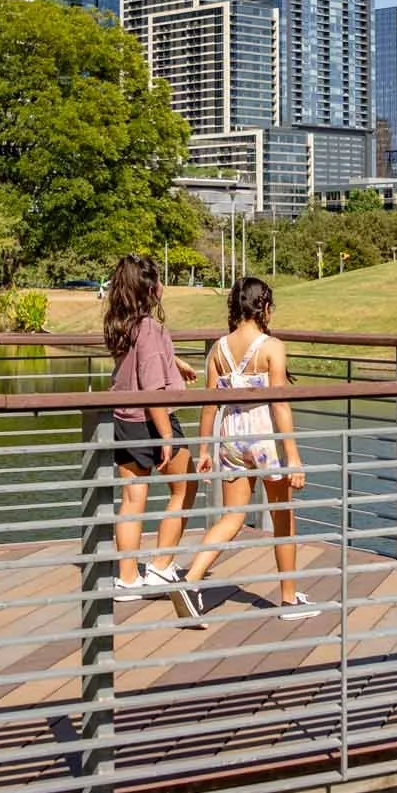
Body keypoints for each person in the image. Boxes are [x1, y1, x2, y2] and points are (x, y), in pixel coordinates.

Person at [174, 276, 311, 627]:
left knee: (233, 516)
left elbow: (208, 405)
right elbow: (279, 404)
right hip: (263, 436)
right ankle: (288, 598)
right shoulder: (271, 347)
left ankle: (190, 581)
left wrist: (204, 448)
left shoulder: (218, 348)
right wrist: (293, 456)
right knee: (283, 518)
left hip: (229, 435)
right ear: (263, 306)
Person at [103, 254, 197, 596]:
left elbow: (140, 362)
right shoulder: (151, 328)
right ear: (151, 289)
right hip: (153, 420)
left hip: (123, 417)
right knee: (185, 487)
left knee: (132, 499)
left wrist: (175, 361)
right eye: (160, 281)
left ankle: (127, 578)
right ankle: (160, 566)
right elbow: (153, 388)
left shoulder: (120, 324)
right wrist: (168, 436)